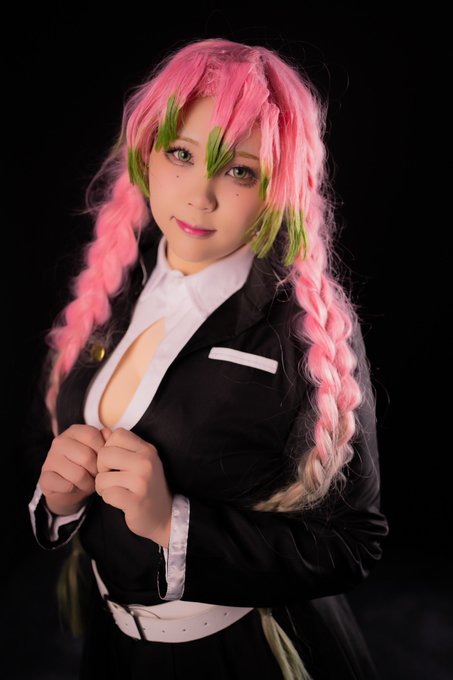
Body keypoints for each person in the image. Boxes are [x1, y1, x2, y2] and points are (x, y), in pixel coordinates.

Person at [23, 37, 389, 679]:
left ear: (278, 187)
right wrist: (56, 502)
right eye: (182, 154)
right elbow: (50, 444)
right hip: (114, 652)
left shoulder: (305, 332)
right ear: (146, 152)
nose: (200, 196)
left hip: (245, 657)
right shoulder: (113, 285)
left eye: (239, 171)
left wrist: (173, 524)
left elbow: (353, 543)